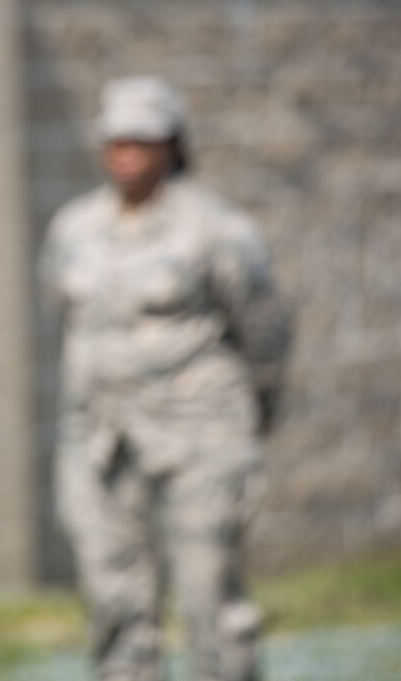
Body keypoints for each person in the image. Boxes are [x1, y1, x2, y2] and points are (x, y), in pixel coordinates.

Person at [38, 76, 291, 681]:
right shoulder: (74, 228)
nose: (125, 153)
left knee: (211, 606)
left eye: (142, 140)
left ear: (173, 145)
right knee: (114, 604)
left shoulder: (217, 230)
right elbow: (60, 310)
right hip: (99, 443)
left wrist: (247, 422)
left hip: (200, 440)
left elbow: (265, 334)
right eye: (115, 140)